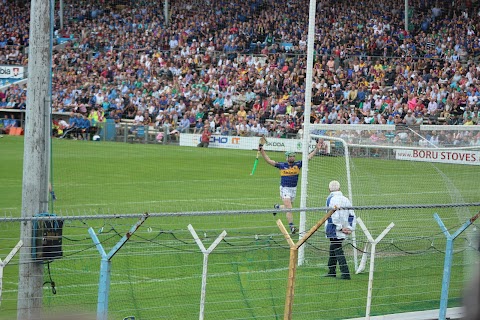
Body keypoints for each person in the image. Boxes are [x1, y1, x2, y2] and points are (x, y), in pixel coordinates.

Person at [259, 139, 324, 234]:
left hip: (293, 189)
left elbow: (308, 157)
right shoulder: (282, 165)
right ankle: (292, 227)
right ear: (287, 157)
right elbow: (269, 160)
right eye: (290, 156)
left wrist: (316, 149)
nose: (292, 157)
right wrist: (262, 151)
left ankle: (277, 207)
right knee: (289, 208)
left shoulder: (298, 164)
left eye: (293, 156)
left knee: (287, 207)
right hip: (285, 189)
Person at [324, 180, 355, 280]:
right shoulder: (346, 199)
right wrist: (350, 228)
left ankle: (345, 273)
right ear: (340, 188)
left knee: (337, 248)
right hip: (344, 228)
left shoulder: (330, 199)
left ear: (329, 189)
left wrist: (339, 227)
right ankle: (331, 271)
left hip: (334, 228)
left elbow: (332, 215)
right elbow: (352, 215)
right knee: (333, 248)